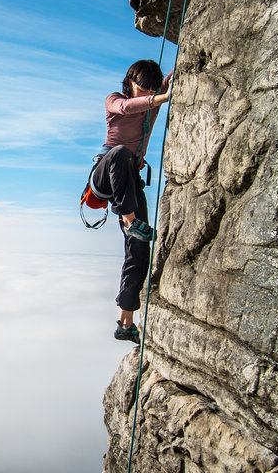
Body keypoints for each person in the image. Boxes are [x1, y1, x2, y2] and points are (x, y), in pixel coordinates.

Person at [91, 59, 172, 344]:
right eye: (140, 86)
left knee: (139, 248)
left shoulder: (152, 102)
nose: (145, 91)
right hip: (105, 174)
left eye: (150, 87)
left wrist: (169, 82)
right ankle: (130, 220)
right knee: (122, 152)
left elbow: (167, 83)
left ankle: (126, 322)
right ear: (129, 82)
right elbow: (126, 108)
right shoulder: (115, 99)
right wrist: (159, 97)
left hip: (130, 179)